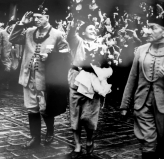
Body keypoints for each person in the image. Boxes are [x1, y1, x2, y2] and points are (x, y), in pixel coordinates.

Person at [120, 3, 164, 159]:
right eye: (148, 27)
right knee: (148, 143)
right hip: (142, 104)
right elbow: (132, 78)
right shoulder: (140, 50)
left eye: (152, 27)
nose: (147, 31)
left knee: (163, 144)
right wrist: (124, 105)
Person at [9, 5, 70, 148]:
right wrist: (22, 23)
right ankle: (35, 138)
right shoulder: (29, 31)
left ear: (47, 18)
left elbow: (67, 54)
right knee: (32, 108)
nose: (35, 19)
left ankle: (50, 132)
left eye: (39, 17)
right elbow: (13, 38)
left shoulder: (57, 34)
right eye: (34, 17)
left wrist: (51, 56)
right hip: (28, 77)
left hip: (45, 79)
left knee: (45, 108)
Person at [67, 18, 112, 158]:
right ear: (83, 32)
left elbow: (106, 63)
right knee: (76, 114)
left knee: (90, 116)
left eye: (95, 29)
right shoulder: (78, 42)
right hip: (77, 81)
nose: (94, 31)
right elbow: (71, 36)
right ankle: (78, 145)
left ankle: (90, 140)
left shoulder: (101, 45)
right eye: (90, 29)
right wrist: (73, 25)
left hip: (94, 83)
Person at [0, 19, 22, 89]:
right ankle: (6, 83)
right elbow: (0, 44)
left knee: (14, 67)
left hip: (15, 53)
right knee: (7, 67)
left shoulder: (18, 33)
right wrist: (0, 53)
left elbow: (20, 44)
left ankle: (12, 84)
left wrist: (20, 53)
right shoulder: (3, 33)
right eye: (14, 25)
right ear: (10, 25)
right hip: (6, 53)